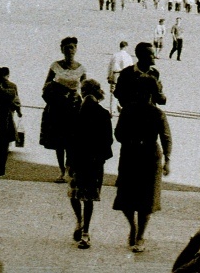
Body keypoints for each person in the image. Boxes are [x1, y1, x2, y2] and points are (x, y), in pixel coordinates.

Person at [112, 93, 171, 253]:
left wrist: (167, 159)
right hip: (132, 154)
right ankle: (134, 228)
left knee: (146, 199)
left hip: (148, 155)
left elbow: (166, 137)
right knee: (126, 197)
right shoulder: (129, 111)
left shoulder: (157, 113)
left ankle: (140, 236)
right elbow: (118, 135)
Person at [66, 78, 114, 249]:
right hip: (94, 163)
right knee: (89, 198)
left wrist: (69, 161)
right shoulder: (102, 113)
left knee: (74, 194)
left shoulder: (75, 111)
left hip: (77, 160)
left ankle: (79, 221)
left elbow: (70, 139)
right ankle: (85, 232)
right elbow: (109, 140)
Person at [40, 36, 86, 183]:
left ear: (76, 49)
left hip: (74, 108)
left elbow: (85, 90)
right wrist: (56, 94)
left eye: (72, 48)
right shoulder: (55, 66)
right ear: (62, 50)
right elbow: (46, 86)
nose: (70, 51)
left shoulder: (81, 68)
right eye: (67, 49)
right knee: (59, 142)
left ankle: (69, 168)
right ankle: (61, 171)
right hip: (58, 108)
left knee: (72, 141)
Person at [0, 66, 21, 177]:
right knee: (3, 148)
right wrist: (19, 112)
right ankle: (0, 169)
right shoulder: (10, 92)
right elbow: (16, 103)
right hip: (6, 124)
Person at [113, 42, 167, 110]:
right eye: (151, 54)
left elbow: (161, 100)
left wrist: (158, 92)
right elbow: (117, 93)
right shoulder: (127, 73)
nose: (154, 57)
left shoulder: (155, 73)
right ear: (142, 56)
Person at [106, 41, 134, 116]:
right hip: (125, 75)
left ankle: (112, 110)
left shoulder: (115, 55)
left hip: (115, 74)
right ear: (126, 47)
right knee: (124, 92)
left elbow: (110, 66)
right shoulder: (128, 56)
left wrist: (109, 76)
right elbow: (131, 68)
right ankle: (122, 108)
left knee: (113, 92)